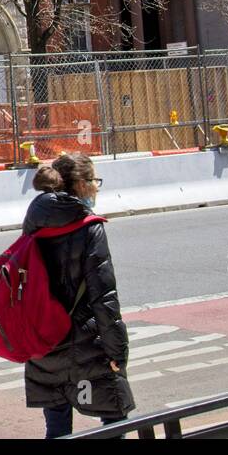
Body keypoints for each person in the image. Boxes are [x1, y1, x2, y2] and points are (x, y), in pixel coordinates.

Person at [24, 152, 134, 438]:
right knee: (115, 420)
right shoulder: (90, 227)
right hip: (90, 346)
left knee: (58, 430)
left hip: (46, 343)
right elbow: (104, 297)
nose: (96, 187)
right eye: (94, 180)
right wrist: (117, 352)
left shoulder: (35, 221)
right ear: (82, 185)